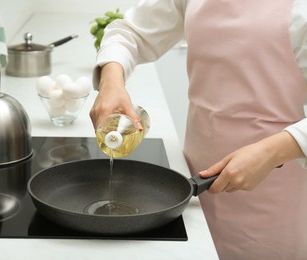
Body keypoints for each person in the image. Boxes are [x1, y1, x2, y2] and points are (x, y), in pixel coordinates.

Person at [89, 0, 307, 259]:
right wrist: (111, 80)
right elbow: (131, 31)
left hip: (271, 186)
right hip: (196, 177)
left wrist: (272, 152)